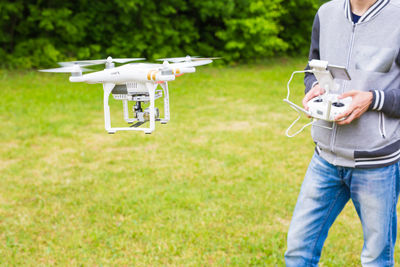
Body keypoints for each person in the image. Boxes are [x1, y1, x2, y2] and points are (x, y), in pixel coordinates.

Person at [284, 0, 400, 266]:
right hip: (324, 159)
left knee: (376, 260)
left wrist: (373, 99)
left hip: (376, 164)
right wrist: (313, 87)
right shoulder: (326, 13)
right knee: (297, 252)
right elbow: (312, 68)